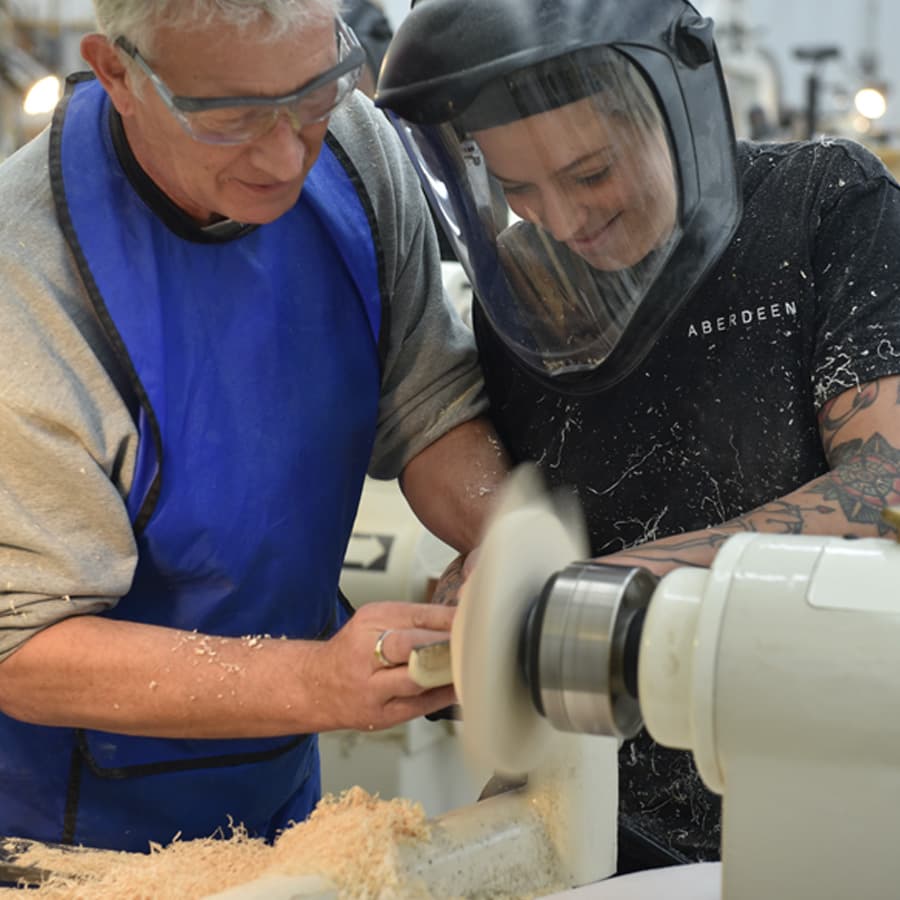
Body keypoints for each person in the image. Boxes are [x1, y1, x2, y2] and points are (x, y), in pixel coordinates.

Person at [375, 0, 900, 874]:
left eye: (590, 173)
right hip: (600, 798)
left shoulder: (824, 205)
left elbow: (885, 492)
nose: (561, 219)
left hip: (827, 779)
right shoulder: (526, 294)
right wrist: (482, 604)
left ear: (680, 111)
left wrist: (579, 591)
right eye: (518, 191)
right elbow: (537, 521)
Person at [0, 0, 510, 854]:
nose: (285, 156)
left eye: (312, 94)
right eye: (231, 119)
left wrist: (503, 541)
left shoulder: (353, 148)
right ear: (119, 74)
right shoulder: (29, 281)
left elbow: (429, 403)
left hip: (274, 788)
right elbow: (23, 647)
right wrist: (317, 680)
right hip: (54, 840)